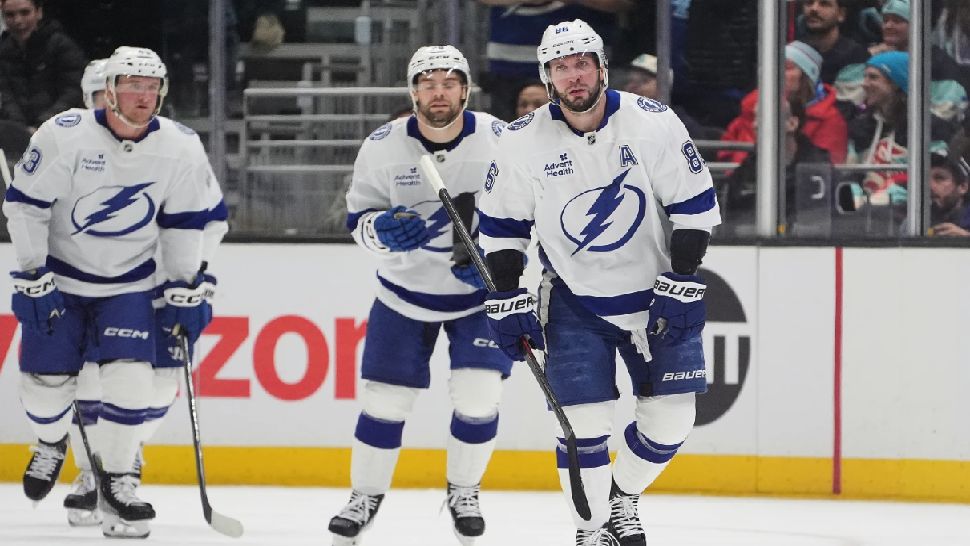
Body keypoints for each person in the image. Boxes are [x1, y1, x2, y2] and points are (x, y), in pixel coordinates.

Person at [479, 19, 721, 546]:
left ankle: (622, 497)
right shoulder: (520, 141)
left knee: (673, 419)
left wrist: (682, 278)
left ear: (602, 67)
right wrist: (505, 295)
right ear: (548, 78)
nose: (574, 76)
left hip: (655, 294)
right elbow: (501, 230)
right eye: (561, 68)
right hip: (573, 300)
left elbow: (695, 209)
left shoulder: (653, 122)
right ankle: (590, 533)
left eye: (582, 63)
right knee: (582, 427)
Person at [4, 45, 222, 539]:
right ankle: (50, 441)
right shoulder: (65, 136)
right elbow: (25, 206)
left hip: (129, 284)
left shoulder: (180, 145)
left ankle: (120, 481)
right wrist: (31, 273)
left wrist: (187, 285)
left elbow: (187, 222)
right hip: (62, 279)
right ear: (108, 91)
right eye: (131, 86)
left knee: (132, 380)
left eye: (151, 87)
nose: (142, 96)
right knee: (44, 388)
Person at [328, 45, 512, 546]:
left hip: (478, 301)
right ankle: (364, 495)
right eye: (427, 83)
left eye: (448, 82)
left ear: (465, 90)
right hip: (403, 294)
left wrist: (502, 264)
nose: (438, 92)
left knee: (480, 394)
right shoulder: (382, 145)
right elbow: (357, 223)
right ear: (413, 92)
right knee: (384, 400)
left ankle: (464, 490)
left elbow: (531, 214)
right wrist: (380, 231)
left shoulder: (500, 138)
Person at [60, 54, 229, 529]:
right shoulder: (74, 147)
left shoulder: (175, 148)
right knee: (90, 380)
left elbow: (210, 219)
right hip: (94, 288)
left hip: (158, 287)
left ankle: (125, 459)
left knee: (157, 387)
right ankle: (101, 475)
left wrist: (191, 275)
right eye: (99, 96)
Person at [476, 0, 632, 123]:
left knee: (584, 140)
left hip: (580, 66)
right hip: (508, 67)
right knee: (512, 141)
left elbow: (626, 3)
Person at [719, 41, 848, 167]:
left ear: (806, 77)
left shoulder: (829, 120)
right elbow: (726, 154)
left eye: (787, 67)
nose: (778, 73)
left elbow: (827, 173)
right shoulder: (751, 108)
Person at [0, 0, 87, 131]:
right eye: (10, 15)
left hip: (60, 128)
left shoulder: (62, 46)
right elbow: (5, 95)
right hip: (17, 133)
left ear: (39, 13)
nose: (18, 20)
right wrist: (20, 129)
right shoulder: (3, 51)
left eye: (25, 12)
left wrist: (42, 125)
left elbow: (73, 91)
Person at [622, 53, 708, 139]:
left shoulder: (681, 125)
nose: (633, 86)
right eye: (629, 81)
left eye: (644, 80)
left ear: (664, 86)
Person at [797, 0, 870, 84]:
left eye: (824, 4)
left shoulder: (855, 55)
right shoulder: (795, 53)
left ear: (841, 14)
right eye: (809, 3)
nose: (814, 9)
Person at [929, 146, 970, 236]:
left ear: (963, 187)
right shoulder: (915, 220)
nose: (930, 186)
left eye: (939, 178)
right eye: (925, 179)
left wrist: (965, 237)